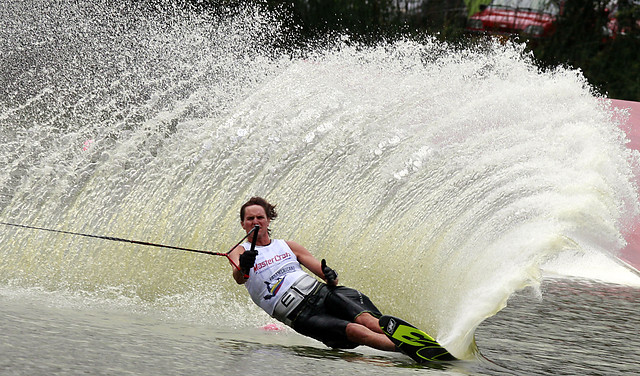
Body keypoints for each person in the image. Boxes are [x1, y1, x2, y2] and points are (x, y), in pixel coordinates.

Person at [229, 196, 397, 352]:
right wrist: (244, 265)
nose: (255, 222)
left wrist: (330, 275)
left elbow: (328, 277)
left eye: (260, 217)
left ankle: (412, 341)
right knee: (356, 331)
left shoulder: (288, 245)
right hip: (299, 314)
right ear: (243, 224)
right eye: (250, 219)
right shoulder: (239, 251)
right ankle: (406, 350)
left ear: (268, 220)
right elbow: (238, 278)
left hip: (320, 293)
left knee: (367, 321)